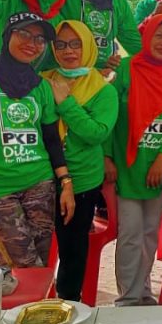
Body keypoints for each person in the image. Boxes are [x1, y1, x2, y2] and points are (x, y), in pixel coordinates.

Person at [0, 12, 75, 268]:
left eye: (39, 39)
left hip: (40, 185)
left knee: (42, 264)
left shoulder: (41, 86)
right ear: (7, 35)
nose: (32, 43)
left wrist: (65, 183)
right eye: (24, 34)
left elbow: (51, 139)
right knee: (24, 267)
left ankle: (36, 297)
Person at [104, 14, 162, 305]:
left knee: (149, 234)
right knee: (130, 234)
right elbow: (107, 112)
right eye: (159, 35)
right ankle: (128, 297)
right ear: (146, 36)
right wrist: (107, 156)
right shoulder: (126, 69)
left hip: (156, 170)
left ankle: (144, 292)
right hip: (127, 168)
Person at [41, 21, 119, 301]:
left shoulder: (103, 89)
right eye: (61, 45)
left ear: (88, 46)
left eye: (76, 44)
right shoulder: (44, 80)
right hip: (41, 177)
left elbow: (96, 133)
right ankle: (36, 304)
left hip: (82, 180)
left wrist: (66, 104)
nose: (68, 51)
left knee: (72, 250)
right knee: (34, 248)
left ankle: (69, 304)